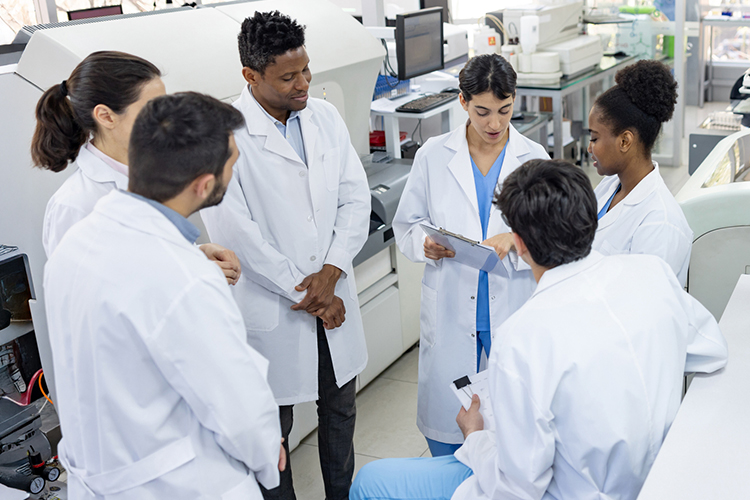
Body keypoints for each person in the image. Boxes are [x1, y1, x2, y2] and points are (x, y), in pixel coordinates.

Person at [350, 159, 728, 500]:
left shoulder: (522, 337)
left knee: (371, 482)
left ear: (518, 244)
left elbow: (517, 487)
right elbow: (713, 351)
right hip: (652, 477)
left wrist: (476, 436)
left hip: (566, 492)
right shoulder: (651, 273)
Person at [44, 92, 284, 499]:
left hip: (104, 479)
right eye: (232, 165)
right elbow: (237, 407)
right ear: (205, 185)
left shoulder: (78, 241)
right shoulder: (186, 277)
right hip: (180, 485)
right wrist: (266, 451)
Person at [200, 11, 370, 500]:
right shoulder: (225, 136)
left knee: (340, 412)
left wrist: (332, 272)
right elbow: (238, 236)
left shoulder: (325, 116)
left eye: (306, 70)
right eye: (288, 76)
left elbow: (354, 198)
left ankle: (343, 495)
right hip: (278, 307)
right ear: (250, 76)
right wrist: (315, 292)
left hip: (332, 294)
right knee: (273, 428)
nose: (304, 83)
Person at [391, 53, 549, 456]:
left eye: (504, 110)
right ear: (462, 102)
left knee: (516, 420)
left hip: (512, 302)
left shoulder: (534, 160)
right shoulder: (432, 155)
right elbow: (407, 224)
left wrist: (515, 240)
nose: (495, 124)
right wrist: (423, 245)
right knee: (448, 422)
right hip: (451, 303)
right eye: (482, 111)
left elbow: (553, 241)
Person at [32, 50, 240, 283]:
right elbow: (88, 297)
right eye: (152, 109)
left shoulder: (150, 173)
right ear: (106, 116)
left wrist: (195, 253)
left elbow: (142, 257)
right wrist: (193, 274)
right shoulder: (75, 204)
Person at [587, 59, 692, 286]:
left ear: (625, 140)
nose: (589, 147)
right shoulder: (610, 188)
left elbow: (644, 306)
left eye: (595, 138)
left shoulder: (660, 223)